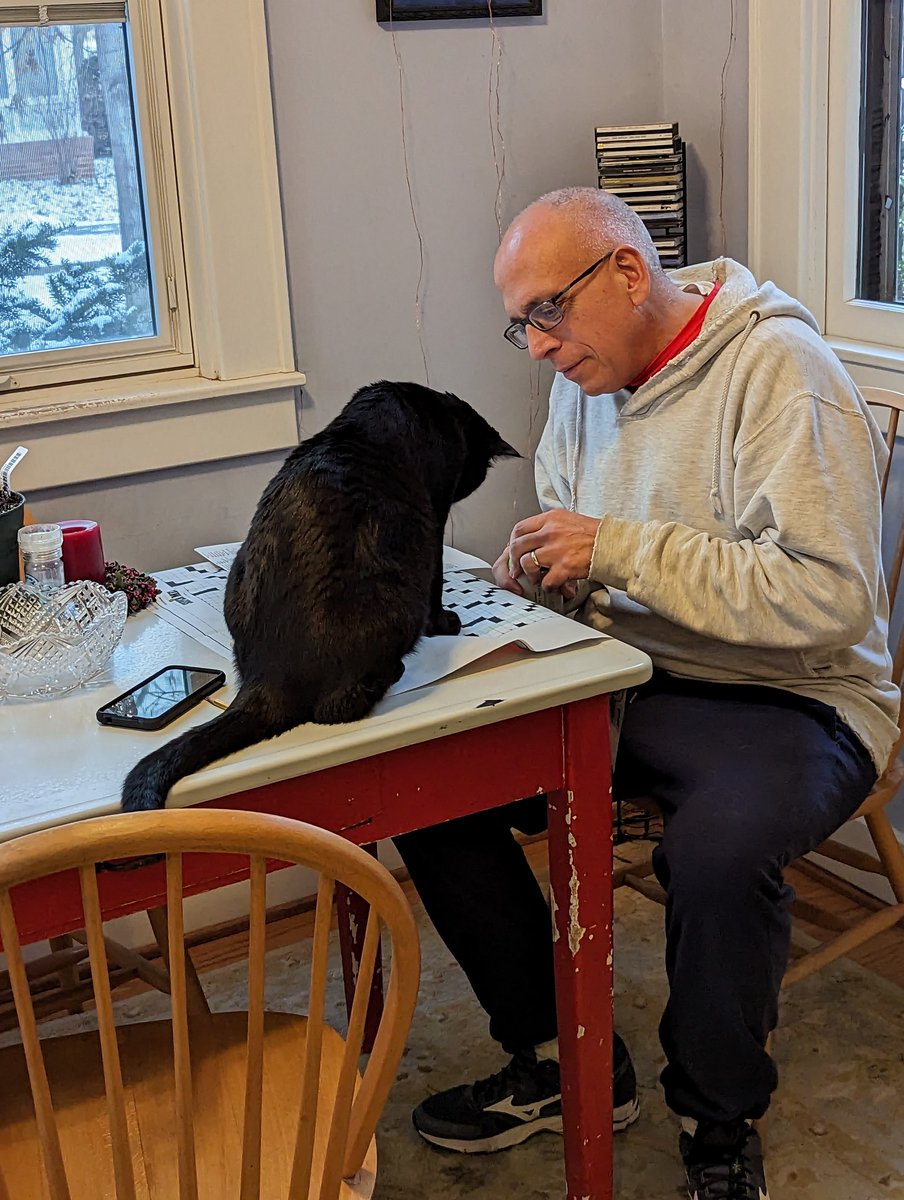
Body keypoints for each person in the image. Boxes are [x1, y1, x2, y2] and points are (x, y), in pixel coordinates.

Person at [394, 187, 901, 1198]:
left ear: (626, 272)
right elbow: (598, 556)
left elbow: (833, 597)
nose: (535, 346)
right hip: (633, 675)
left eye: (547, 311)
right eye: (519, 322)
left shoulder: (779, 372)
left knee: (713, 850)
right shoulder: (584, 380)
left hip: (793, 696)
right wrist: (553, 572)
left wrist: (617, 549)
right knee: (427, 780)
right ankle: (558, 1056)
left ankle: (717, 1116)